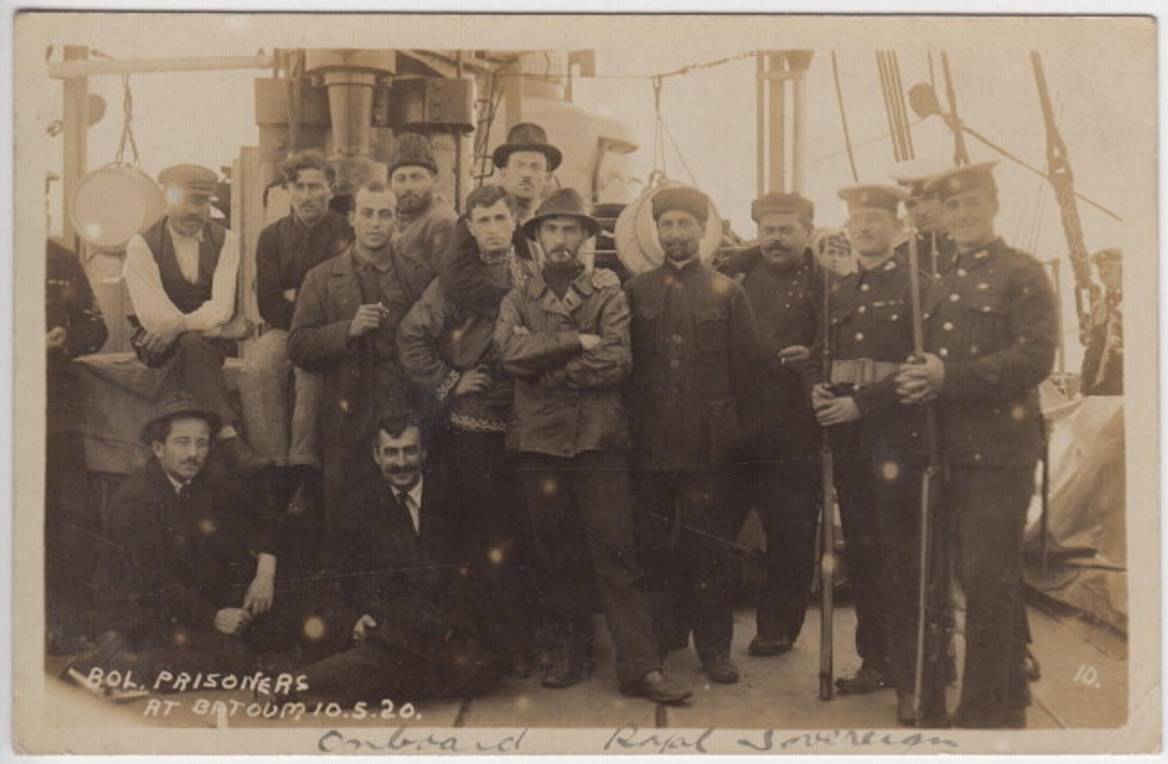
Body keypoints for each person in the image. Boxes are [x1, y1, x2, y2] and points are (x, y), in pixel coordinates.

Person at [494, 188, 692, 703]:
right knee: (555, 554)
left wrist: (547, 373)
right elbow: (510, 355)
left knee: (616, 554)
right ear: (536, 239)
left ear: (586, 238)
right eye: (552, 230)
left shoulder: (608, 292)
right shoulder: (517, 297)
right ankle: (572, 654)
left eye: (571, 231)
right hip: (539, 445)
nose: (561, 241)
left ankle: (640, 667)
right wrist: (572, 343)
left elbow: (616, 362)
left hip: (598, 442)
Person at [894, 161, 1058, 728]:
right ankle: (1006, 694)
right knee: (960, 576)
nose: (962, 216)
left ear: (993, 206)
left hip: (1001, 452)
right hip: (948, 451)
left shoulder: (1024, 274)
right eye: (953, 207)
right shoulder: (944, 281)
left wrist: (948, 378)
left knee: (987, 578)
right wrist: (920, 378)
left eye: (972, 205)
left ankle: (985, 712)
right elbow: (936, 364)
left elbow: (1036, 358)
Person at [76, 393, 339, 686]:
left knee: (281, 626)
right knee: (232, 657)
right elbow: (155, 584)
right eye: (183, 442)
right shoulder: (135, 501)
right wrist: (214, 618)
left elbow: (265, 515)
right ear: (158, 448)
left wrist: (266, 568)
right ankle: (119, 660)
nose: (193, 453)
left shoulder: (208, 480)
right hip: (142, 610)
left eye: (201, 443)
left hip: (195, 600)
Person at [810, 184, 945, 725]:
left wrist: (859, 407)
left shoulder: (921, 288)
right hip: (850, 446)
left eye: (875, 219)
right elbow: (828, 360)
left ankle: (913, 679)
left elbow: (920, 369)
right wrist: (820, 391)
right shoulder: (839, 293)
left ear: (899, 229)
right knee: (862, 553)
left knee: (902, 557)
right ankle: (875, 661)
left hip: (899, 440)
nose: (864, 228)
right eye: (856, 220)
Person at [396, 183, 539, 677]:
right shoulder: (454, 282)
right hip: (474, 424)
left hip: (529, 421)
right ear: (470, 227)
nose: (494, 229)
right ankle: (495, 644)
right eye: (483, 221)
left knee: (527, 531)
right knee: (486, 536)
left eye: (501, 218)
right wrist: (451, 381)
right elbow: (411, 336)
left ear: (514, 222)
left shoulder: (532, 273)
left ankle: (527, 639)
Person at [625, 185, 761, 685]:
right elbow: (625, 372)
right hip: (651, 446)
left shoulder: (728, 291)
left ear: (704, 231)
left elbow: (750, 375)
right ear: (656, 232)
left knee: (710, 549)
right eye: (668, 225)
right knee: (653, 547)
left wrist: (733, 438)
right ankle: (663, 639)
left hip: (709, 451)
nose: (676, 234)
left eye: (686, 224)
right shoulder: (636, 290)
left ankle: (714, 649)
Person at [289, 413, 501, 707]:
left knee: (474, 668)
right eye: (391, 452)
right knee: (403, 648)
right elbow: (329, 579)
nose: (401, 463)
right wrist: (353, 622)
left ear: (424, 452)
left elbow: (479, 573)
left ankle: (296, 687)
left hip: (445, 629)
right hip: (386, 622)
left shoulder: (455, 498)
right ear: (376, 456)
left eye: (409, 451)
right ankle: (395, 666)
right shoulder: (354, 507)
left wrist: (450, 622)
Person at [288, 182, 429, 529]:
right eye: (367, 213)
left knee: (408, 506)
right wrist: (347, 330)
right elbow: (299, 345)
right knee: (347, 510)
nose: (375, 223)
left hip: (403, 404)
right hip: (345, 407)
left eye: (385, 215)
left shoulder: (417, 275)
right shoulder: (321, 278)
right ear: (352, 218)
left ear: (397, 221)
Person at [720, 192, 823, 659]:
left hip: (794, 426)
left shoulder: (826, 283)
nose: (776, 239)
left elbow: (840, 343)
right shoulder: (734, 273)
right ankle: (699, 625)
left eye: (787, 230)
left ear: (808, 232)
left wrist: (814, 358)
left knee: (792, 532)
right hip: (736, 423)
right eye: (769, 230)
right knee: (713, 523)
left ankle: (779, 626)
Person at [123, 164, 261, 472]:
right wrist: (215, 329)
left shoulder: (226, 240)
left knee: (192, 344)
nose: (193, 211)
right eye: (183, 200)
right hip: (156, 345)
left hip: (206, 345)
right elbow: (154, 317)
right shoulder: (140, 245)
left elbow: (222, 306)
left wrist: (187, 326)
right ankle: (228, 437)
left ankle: (176, 456)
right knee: (193, 343)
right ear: (167, 200)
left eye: (200, 203)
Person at [241, 150, 352, 527]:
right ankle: (272, 467)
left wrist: (300, 298)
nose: (307, 195)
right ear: (288, 190)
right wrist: (307, 302)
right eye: (299, 187)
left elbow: (344, 297)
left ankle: (305, 470)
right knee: (257, 366)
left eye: (315, 186)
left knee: (310, 367)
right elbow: (269, 301)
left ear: (331, 189)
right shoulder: (271, 237)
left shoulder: (345, 231)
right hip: (282, 328)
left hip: (324, 331)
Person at [45, 238, 109, 651]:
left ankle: (67, 625)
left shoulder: (60, 259)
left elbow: (95, 328)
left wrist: (65, 337)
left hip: (55, 407)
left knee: (70, 510)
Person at [436, 122, 562, 319]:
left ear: (547, 177)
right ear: (504, 174)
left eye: (535, 167)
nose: (527, 174)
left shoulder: (549, 227)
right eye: (520, 165)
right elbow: (456, 278)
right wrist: (520, 305)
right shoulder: (479, 221)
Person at [388, 132, 458, 275]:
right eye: (400, 179)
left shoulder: (442, 222)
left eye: (416, 178)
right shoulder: (391, 217)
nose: (408, 187)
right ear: (390, 183)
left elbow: (444, 285)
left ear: (434, 179)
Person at [891, 158, 957, 277]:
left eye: (929, 198)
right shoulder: (900, 258)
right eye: (911, 204)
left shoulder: (973, 246)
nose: (921, 211)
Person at [1080, 247, 1123, 396]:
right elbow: (1092, 351)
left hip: (1125, 389)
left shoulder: (1137, 301)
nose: (1104, 271)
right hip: (1101, 391)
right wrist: (1084, 389)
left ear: (1121, 269)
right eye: (1100, 267)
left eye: (1109, 266)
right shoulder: (1098, 307)